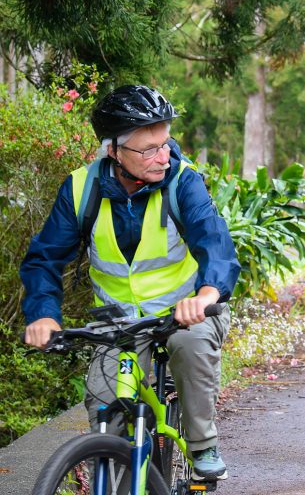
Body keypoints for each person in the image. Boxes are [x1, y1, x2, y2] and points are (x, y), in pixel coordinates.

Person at [21, 85, 241, 481]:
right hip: (117, 321)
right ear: (113, 150)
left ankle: (202, 442)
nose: (163, 155)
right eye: (148, 149)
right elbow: (44, 259)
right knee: (106, 404)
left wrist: (206, 294)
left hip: (185, 311)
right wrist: (42, 315)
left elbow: (215, 243)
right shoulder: (80, 189)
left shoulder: (182, 182)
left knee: (191, 346)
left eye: (165, 142)